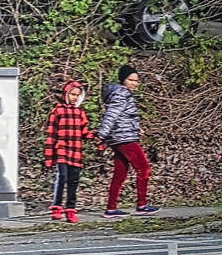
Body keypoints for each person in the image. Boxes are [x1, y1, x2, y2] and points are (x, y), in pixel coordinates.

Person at [96, 64, 160, 218]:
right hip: (124, 139)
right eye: (130, 80)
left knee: (120, 173)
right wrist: (101, 134)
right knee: (143, 168)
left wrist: (136, 128)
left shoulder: (120, 94)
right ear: (123, 80)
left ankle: (111, 208)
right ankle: (142, 204)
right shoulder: (121, 94)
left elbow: (124, 117)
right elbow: (111, 115)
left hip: (120, 137)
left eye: (136, 81)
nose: (134, 83)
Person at [43, 79, 94, 224]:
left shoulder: (80, 113)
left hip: (76, 150)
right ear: (66, 94)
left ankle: (70, 209)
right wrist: (48, 157)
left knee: (74, 180)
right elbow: (51, 135)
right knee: (63, 177)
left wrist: (97, 135)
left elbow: (84, 132)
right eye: (72, 94)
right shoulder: (57, 111)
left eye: (77, 95)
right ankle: (57, 206)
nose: (74, 98)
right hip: (61, 149)